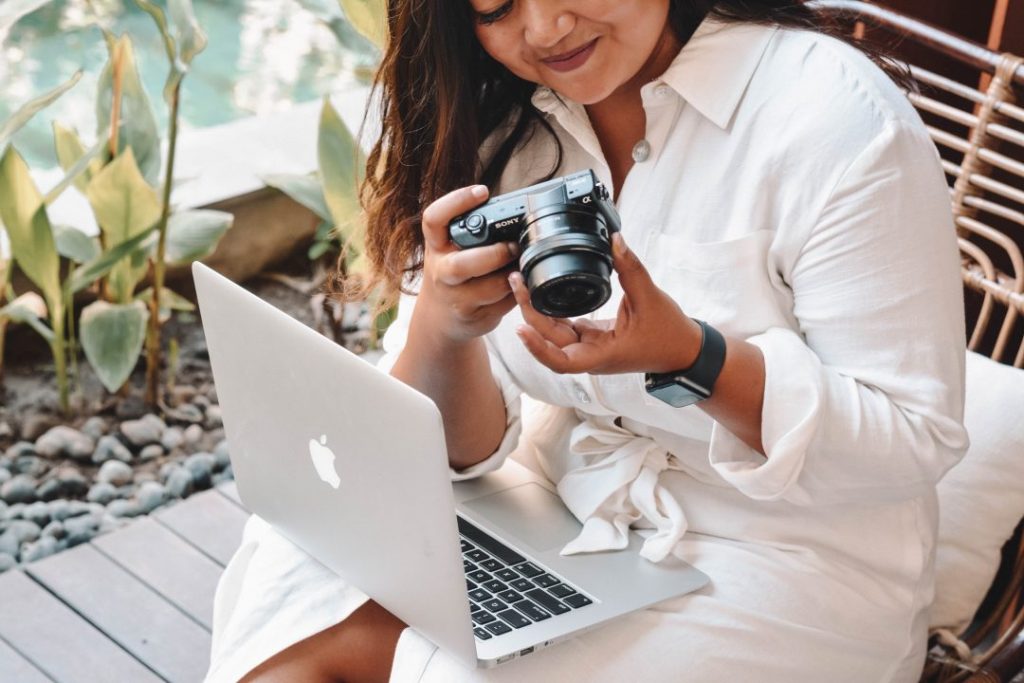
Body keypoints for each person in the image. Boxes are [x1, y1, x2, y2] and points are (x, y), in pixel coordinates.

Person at [206, 1, 970, 681]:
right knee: (303, 586)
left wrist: (692, 357)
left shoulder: (832, 120)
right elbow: (465, 447)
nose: (541, 30)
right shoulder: (507, 123)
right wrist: (445, 327)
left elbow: (912, 439)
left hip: (791, 561)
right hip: (563, 507)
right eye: (494, 5)